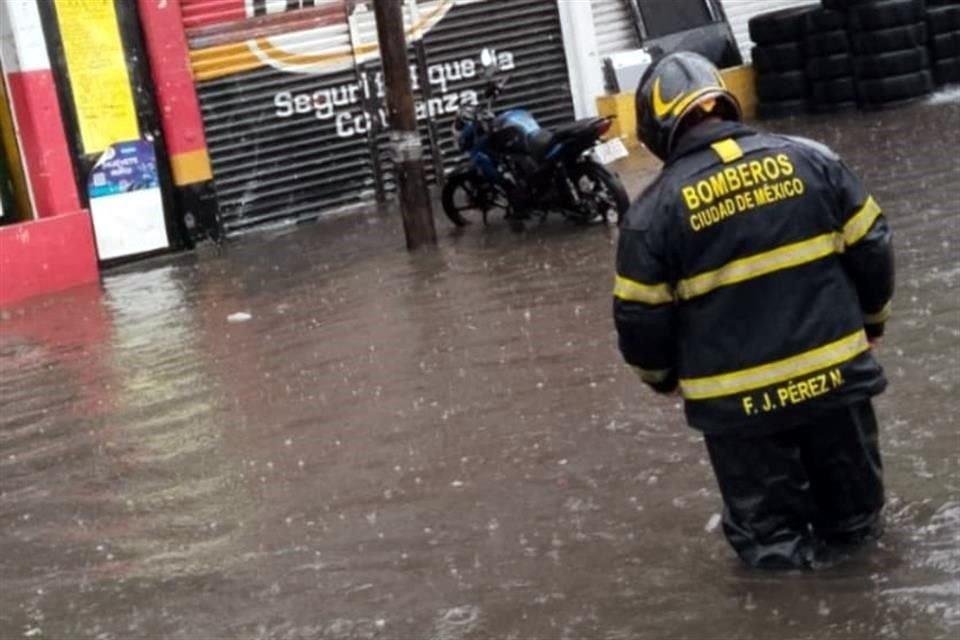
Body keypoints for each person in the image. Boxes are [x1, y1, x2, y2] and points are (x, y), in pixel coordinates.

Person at [613, 51, 895, 570]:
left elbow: (639, 318)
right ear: (723, 99)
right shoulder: (813, 160)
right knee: (861, 532)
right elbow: (873, 243)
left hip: (741, 412)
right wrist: (872, 323)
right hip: (835, 385)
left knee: (772, 551)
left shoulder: (653, 213)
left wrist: (661, 378)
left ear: (657, 128)